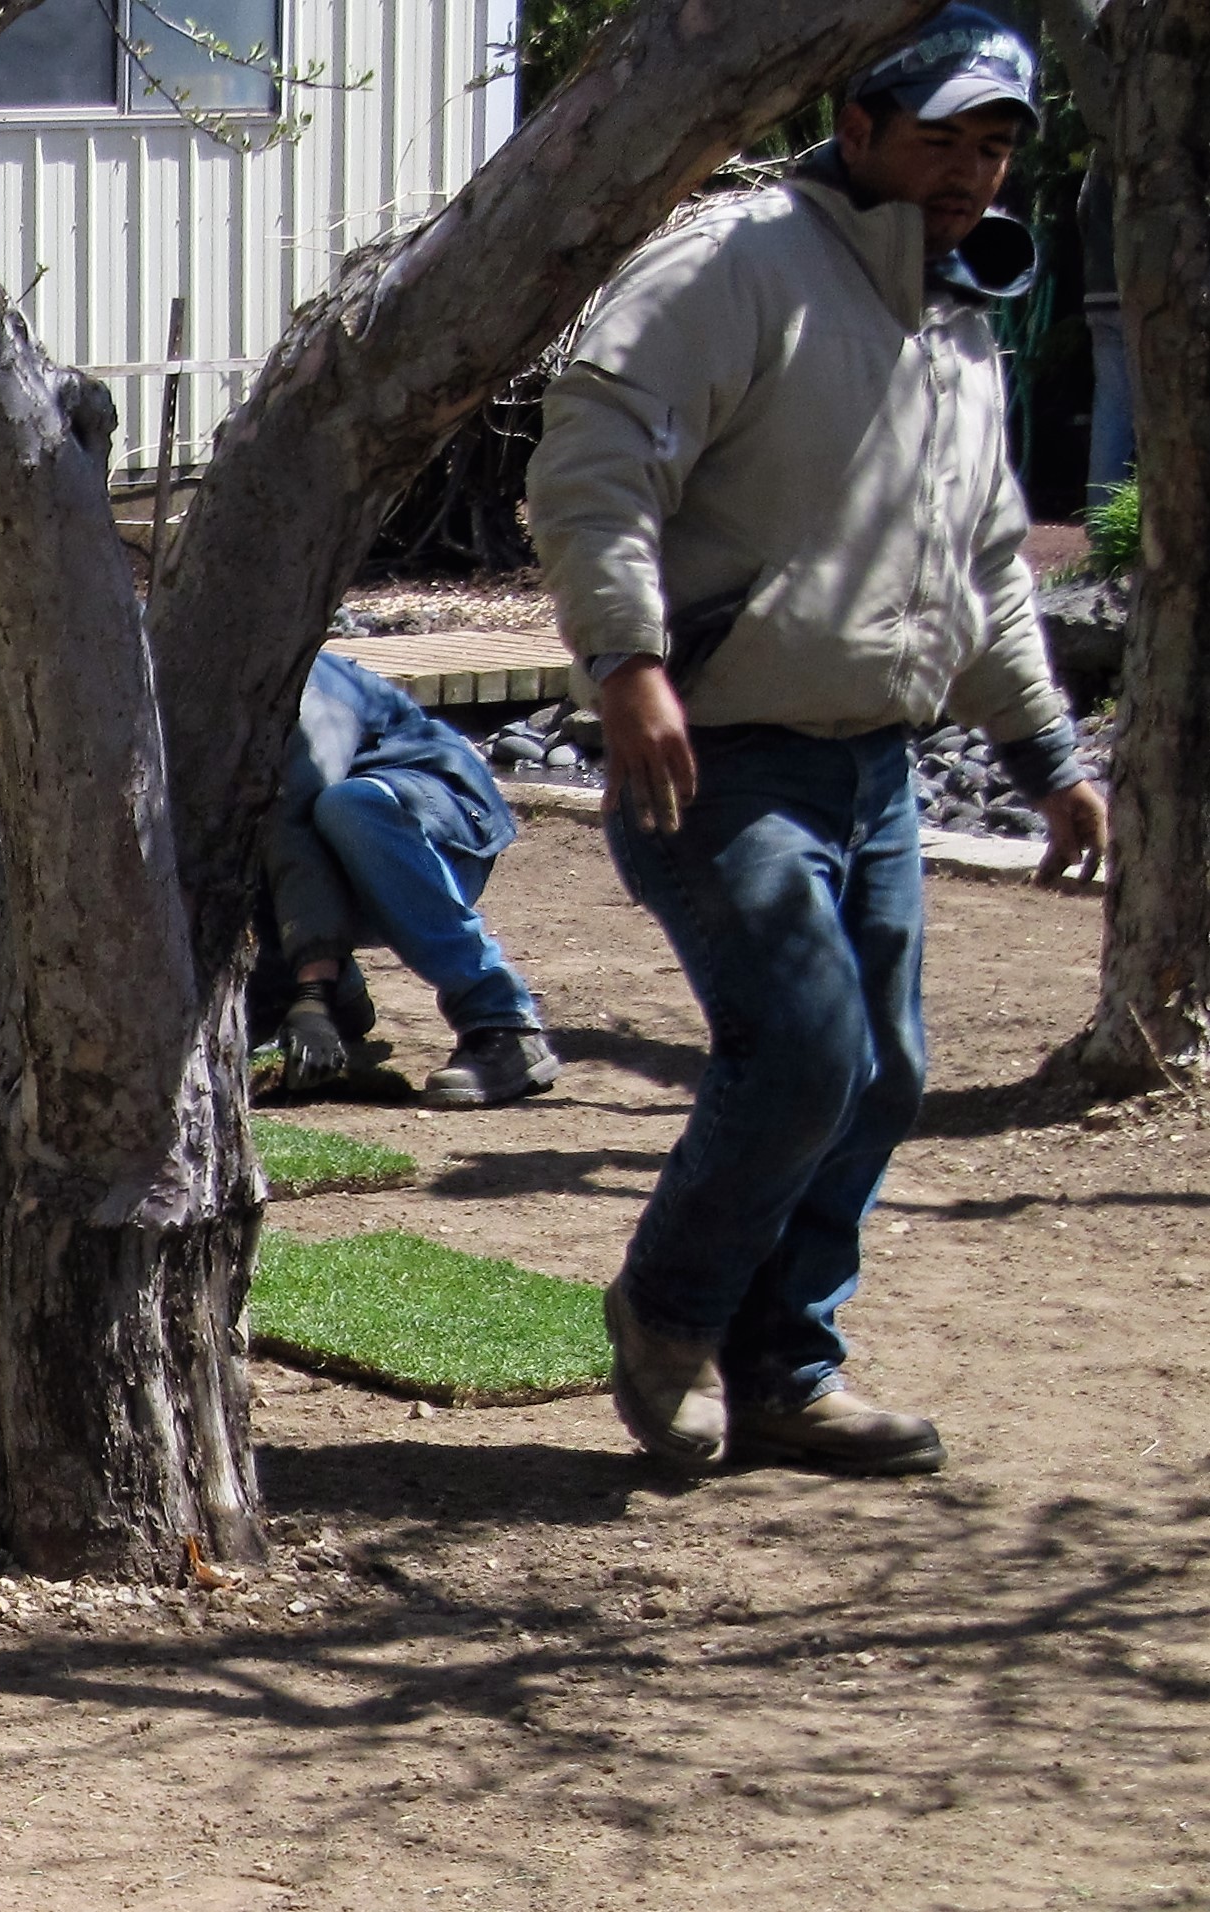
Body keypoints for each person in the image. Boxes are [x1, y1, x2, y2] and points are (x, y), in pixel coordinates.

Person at [527, 4, 1106, 1483]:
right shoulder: (736, 265)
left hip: (874, 766)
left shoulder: (956, 321)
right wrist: (625, 660)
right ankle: (667, 1317)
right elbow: (597, 456)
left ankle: (784, 1368)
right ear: (854, 128)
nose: (971, 172)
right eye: (942, 139)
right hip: (718, 758)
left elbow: (981, 567)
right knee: (801, 1054)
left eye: (993, 148)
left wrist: (1046, 756)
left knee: (886, 1067)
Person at [260, 649, 560, 1111]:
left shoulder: (305, 696)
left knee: (349, 806)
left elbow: (294, 828)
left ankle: (502, 1022)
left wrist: (311, 993)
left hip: (433, 828)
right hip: (339, 849)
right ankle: (335, 998)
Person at [1080, 156, 1134, 494]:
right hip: (1143, 293)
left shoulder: (1100, 156)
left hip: (1099, 291)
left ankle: (1105, 527)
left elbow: (1083, 212)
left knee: (1112, 411)